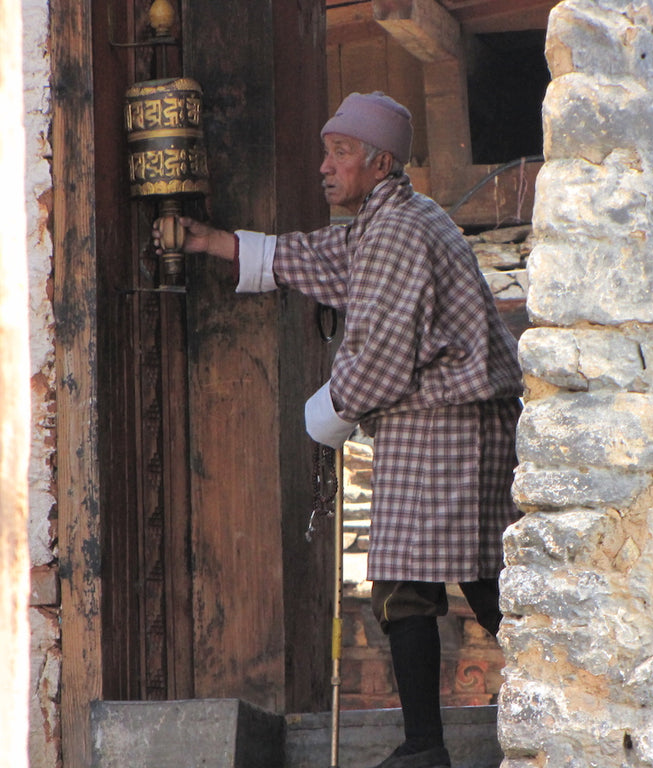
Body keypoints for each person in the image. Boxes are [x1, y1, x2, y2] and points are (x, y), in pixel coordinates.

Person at [156, 91, 523, 768]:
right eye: (326, 150)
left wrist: (323, 413)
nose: (325, 166)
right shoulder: (382, 225)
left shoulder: (402, 231)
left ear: (380, 163)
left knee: (459, 581)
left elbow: (384, 352)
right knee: (423, 582)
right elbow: (319, 257)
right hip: (441, 421)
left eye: (341, 152)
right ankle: (426, 748)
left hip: (452, 421)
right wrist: (216, 243)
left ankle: (445, 742)